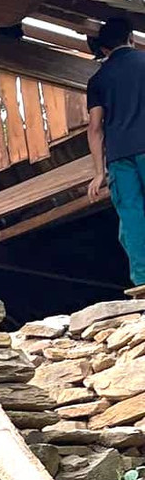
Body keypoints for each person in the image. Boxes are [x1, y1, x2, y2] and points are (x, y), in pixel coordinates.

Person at [86, 17, 145, 290]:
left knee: (132, 215)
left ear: (104, 49)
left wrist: (99, 172)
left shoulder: (98, 79)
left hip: (120, 156)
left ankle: (143, 280)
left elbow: (95, 128)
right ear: (130, 37)